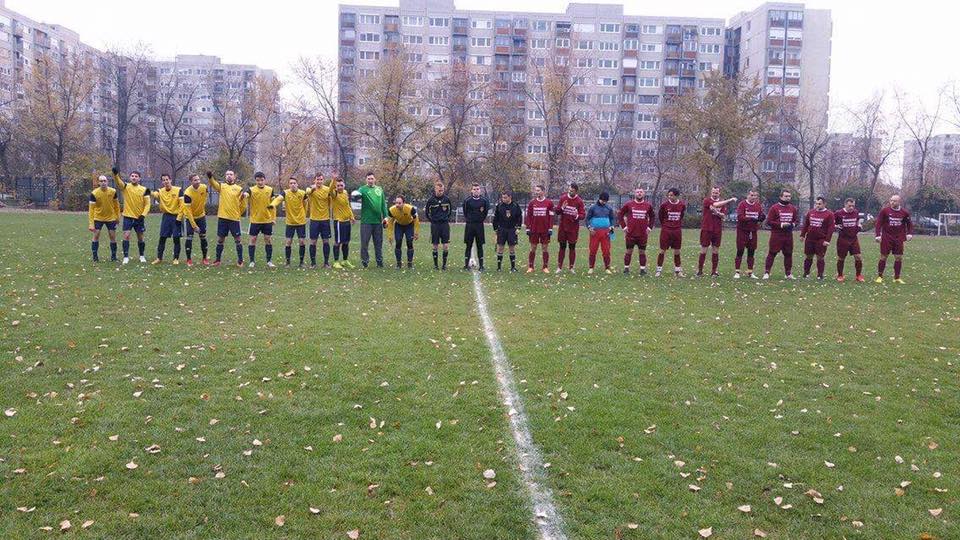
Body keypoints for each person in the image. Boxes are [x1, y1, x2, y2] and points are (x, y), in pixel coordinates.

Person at [151, 174, 196, 265]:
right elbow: (154, 194)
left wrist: (179, 218)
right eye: (163, 180)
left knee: (176, 238)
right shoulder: (160, 191)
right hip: (166, 217)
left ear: (170, 180)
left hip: (176, 217)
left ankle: (175, 258)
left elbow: (182, 205)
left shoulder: (178, 190)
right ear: (162, 182)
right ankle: (159, 258)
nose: (165, 181)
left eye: (167, 179)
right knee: (162, 238)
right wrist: (147, 191)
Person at [207, 170, 248, 267]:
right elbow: (213, 184)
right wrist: (210, 177)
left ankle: (240, 261)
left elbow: (243, 204)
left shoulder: (239, 189)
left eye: (231, 174)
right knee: (220, 239)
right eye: (227, 174)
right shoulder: (222, 186)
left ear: (234, 176)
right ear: (225, 176)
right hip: (223, 218)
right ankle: (217, 260)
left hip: (234, 219)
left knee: (238, 240)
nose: (229, 176)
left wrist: (238, 213)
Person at [112, 167, 151, 265]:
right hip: (127, 217)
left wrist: (143, 215)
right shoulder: (126, 187)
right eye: (132, 176)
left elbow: (147, 204)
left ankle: (142, 256)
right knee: (126, 236)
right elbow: (119, 182)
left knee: (140, 237)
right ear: (130, 178)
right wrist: (115, 175)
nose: (134, 177)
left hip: (139, 218)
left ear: (139, 178)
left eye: (136, 176)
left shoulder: (145, 189)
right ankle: (126, 257)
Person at [697, 186, 737, 277]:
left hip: (717, 229)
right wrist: (730, 200)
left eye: (716, 193)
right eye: (713, 192)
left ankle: (714, 271)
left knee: (715, 250)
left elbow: (723, 216)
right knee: (704, 249)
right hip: (707, 228)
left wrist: (717, 213)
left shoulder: (722, 203)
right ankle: (700, 271)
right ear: (711, 193)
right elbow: (715, 205)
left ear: (719, 193)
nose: (715, 194)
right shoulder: (707, 200)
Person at [875, 194, 913, 284]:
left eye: (894, 201)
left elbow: (909, 224)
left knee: (898, 257)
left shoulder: (904, 212)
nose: (892, 202)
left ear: (899, 202)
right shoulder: (885, 211)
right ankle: (880, 276)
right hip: (886, 237)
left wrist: (909, 233)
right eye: (891, 200)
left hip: (899, 238)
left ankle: (897, 278)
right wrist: (877, 235)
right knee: (883, 256)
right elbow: (878, 223)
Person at [762, 189, 799, 279]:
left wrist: (792, 225)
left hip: (788, 235)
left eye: (789, 196)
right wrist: (781, 225)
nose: (788, 198)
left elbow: (796, 220)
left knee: (788, 254)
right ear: (781, 197)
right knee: (772, 253)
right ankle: (767, 272)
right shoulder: (774, 208)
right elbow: (769, 221)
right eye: (786, 196)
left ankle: (788, 274)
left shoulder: (793, 208)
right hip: (777, 234)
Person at [272, 177, 309, 268]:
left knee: (302, 242)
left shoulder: (302, 193)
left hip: (301, 222)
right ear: (289, 185)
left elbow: (306, 205)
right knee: (288, 242)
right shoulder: (285, 193)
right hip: (290, 222)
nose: (293, 185)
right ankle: (287, 263)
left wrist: (303, 215)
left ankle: (301, 262)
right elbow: (278, 199)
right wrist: (272, 204)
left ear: (297, 184)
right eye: (291, 183)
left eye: (294, 183)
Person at [617, 187, 655, 275]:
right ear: (635, 194)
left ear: (644, 194)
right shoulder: (629, 204)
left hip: (642, 234)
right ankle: (626, 269)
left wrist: (649, 228)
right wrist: (624, 227)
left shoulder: (648, 205)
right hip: (631, 233)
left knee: (642, 252)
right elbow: (620, 214)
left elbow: (652, 216)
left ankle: (642, 270)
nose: (639, 193)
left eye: (641, 192)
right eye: (637, 192)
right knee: (629, 251)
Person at [354, 172, 388, 268]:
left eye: (372, 178)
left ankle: (379, 262)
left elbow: (383, 204)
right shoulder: (362, 189)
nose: (370, 180)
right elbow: (356, 196)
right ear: (366, 180)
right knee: (364, 243)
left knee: (378, 243)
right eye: (368, 179)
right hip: (366, 222)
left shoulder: (379, 189)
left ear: (375, 179)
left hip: (378, 221)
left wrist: (385, 217)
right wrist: (355, 196)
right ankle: (365, 261)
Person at [245, 172, 277, 268]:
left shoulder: (270, 190)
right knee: (252, 239)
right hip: (255, 220)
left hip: (267, 220)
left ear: (265, 180)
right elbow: (246, 195)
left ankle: (269, 261)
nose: (260, 182)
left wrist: (273, 218)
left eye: (262, 180)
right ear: (255, 180)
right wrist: (244, 195)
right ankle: (252, 261)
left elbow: (273, 205)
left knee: (268, 240)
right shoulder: (251, 190)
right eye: (258, 180)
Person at [800, 196, 835, 279]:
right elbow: (806, 224)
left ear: (824, 204)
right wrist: (802, 235)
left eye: (820, 204)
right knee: (808, 256)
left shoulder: (829, 214)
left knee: (820, 257)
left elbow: (830, 228)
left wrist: (827, 240)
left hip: (821, 239)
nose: (817, 205)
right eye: (816, 204)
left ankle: (820, 275)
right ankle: (806, 273)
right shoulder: (810, 212)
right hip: (810, 238)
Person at [88, 174, 120, 262]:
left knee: (112, 236)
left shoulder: (113, 191)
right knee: (96, 235)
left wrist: (118, 217)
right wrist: (91, 223)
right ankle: (95, 257)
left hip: (111, 218)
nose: (103, 183)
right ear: (98, 183)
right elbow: (91, 210)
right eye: (101, 181)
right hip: (98, 217)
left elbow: (117, 206)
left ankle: (113, 257)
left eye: (105, 181)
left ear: (107, 182)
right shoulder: (94, 193)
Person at [734, 190, 764, 279]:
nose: (753, 197)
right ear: (747, 195)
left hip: (753, 231)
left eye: (755, 195)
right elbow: (740, 217)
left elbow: (760, 215)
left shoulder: (758, 205)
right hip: (742, 231)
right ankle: (737, 272)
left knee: (751, 251)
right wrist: (751, 219)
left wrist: (762, 217)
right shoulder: (742, 204)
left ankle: (750, 272)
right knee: (740, 251)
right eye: (751, 195)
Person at [656, 188, 686, 277]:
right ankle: (658, 270)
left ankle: (678, 270)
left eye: (671, 195)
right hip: (666, 230)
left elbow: (681, 216)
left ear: (676, 196)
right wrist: (666, 225)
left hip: (677, 230)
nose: (669, 197)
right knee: (662, 250)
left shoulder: (682, 205)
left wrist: (676, 224)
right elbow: (661, 216)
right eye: (668, 195)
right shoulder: (664, 205)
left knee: (677, 251)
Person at [556, 182, 585, 273]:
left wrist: (577, 216)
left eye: (572, 191)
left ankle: (571, 268)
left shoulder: (579, 201)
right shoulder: (563, 198)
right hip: (563, 228)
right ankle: (559, 267)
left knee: (572, 247)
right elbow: (557, 211)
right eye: (569, 190)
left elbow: (583, 215)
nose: (570, 192)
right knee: (562, 247)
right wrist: (562, 208)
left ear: (576, 191)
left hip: (573, 229)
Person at [305, 173, 334, 268]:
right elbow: (307, 192)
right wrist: (312, 188)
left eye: (321, 179)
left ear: (323, 180)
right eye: (317, 179)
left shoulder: (327, 190)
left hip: (325, 220)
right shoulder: (311, 189)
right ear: (314, 180)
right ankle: (313, 263)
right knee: (313, 242)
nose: (319, 181)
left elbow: (332, 194)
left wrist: (333, 179)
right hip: (314, 220)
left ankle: (326, 263)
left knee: (326, 241)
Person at [833, 198, 865, 282]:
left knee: (858, 257)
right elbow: (832, 222)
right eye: (849, 206)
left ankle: (858, 275)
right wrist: (836, 226)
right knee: (841, 258)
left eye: (853, 206)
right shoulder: (838, 213)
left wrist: (859, 226)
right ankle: (840, 275)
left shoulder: (856, 212)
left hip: (853, 238)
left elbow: (857, 222)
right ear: (845, 205)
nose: (851, 208)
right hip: (843, 239)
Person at [525, 184, 554, 274]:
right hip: (534, 229)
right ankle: (531, 267)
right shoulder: (532, 203)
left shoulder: (549, 203)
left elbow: (551, 216)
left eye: (538, 190)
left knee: (545, 248)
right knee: (533, 248)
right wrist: (528, 228)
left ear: (543, 191)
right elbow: (528, 216)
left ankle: (545, 267)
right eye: (536, 190)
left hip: (545, 230)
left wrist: (550, 228)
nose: (536, 192)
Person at [182, 174, 210, 266]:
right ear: (191, 182)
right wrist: (194, 226)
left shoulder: (204, 187)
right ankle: (189, 259)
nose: (198, 181)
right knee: (189, 238)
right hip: (190, 218)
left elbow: (205, 197)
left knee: (203, 237)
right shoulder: (187, 193)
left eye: (198, 179)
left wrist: (202, 208)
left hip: (201, 217)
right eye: (195, 180)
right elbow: (188, 212)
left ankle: (205, 258)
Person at [424, 181, 453, 270]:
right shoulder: (431, 200)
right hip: (435, 225)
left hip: (444, 225)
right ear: (435, 189)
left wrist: (446, 219)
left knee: (445, 245)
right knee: (435, 245)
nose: (441, 192)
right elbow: (427, 213)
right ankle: (436, 265)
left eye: (442, 190)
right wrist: (432, 221)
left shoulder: (447, 199)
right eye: (439, 190)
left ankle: (444, 265)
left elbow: (450, 211)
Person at [586, 192, 616, 274]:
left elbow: (612, 219)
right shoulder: (593, 208)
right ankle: (591, 267)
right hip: (594, 232)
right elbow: (587, 219)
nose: (604, 202)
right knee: (593, 249)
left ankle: (607, 268)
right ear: (599, 199)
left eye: (605, 201)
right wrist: (589, 227)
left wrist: (612, 226)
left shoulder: (609, 208)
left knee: (606, 250)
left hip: (606, 232)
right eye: (603, 200)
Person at [387, 195, 420, 269]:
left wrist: (416, 232)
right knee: (398, 241)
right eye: (396, 203)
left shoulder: (410, 209)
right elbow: (390, 223)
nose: (397, 205)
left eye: (399, 203)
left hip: (409, 225)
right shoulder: (391, 210)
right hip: (399, 225)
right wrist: (390, 235)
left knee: (409, 242)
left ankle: (410, 264)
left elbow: (416, 220)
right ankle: (398, 264)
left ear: (404, 203)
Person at [462, 183, 489, 270]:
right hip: (469, 225)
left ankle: (481, 266)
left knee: (480, 245)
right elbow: (465, 212)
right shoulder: (467, 201)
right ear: (471, 190)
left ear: (480, 190)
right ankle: (466, 265)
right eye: (474, 189)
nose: (476, 191)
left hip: (479, 226)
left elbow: (485, 213)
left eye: (477, 189)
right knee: (468, 245)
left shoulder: (484, 201)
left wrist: (479, 220)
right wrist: (470, 219)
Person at [493, 192, 522, 271]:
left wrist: (518, 228)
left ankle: (513, 267)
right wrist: (495, 229)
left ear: (510, 197)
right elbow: (495, 218)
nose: (503, 199)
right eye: (502, 197)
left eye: (505, 197)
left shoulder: (515, 206)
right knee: (500, 248)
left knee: (512, 248)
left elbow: (519, 217)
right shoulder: (499, 206)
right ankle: (499, 268)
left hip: (512, 229)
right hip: (502, 229)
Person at [330, 177, 355, 269]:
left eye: (341, 185)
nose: (340, 187)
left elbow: (347, 206)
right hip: (339, 222)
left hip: (346, 221)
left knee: (346, 242)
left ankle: (345, 260)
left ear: (344, 185)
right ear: (336, 186)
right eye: (338, 186)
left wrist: (351, 216)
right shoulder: (334, 194)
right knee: (338, 242)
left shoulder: (345, 192)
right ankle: (336, 262)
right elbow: (330, 190)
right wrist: (333, 180)